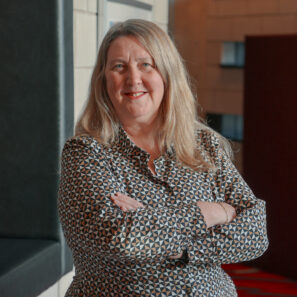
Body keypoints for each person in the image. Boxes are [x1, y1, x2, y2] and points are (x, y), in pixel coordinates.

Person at [58, 19, 268, 296]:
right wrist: (213, 212)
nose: (133, 79)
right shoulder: (86, 154)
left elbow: (255, 234)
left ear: (167, 74)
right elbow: (119, 237)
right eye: (119, 66)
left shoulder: (204, 145)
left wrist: (169, 239)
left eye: (146, 64)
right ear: (104, 79)